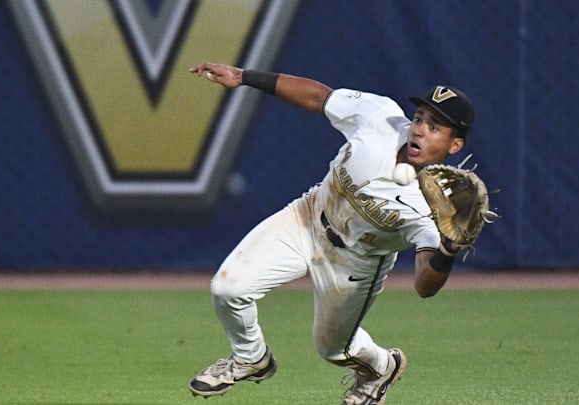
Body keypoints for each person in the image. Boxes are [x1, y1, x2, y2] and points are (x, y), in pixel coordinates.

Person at [187, 62, 475, 404]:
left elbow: (424, 285)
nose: (419, 130)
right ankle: (251, 357)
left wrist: (449, 250)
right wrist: (244, 77)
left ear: (454, 145)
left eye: (434, 126)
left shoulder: (435, 206)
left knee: (334, 349)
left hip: (355, 266)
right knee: (227, 289)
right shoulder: (380, 117)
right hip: (308, 216)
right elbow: (317, 96)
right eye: (419, 118)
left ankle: (382, 365)